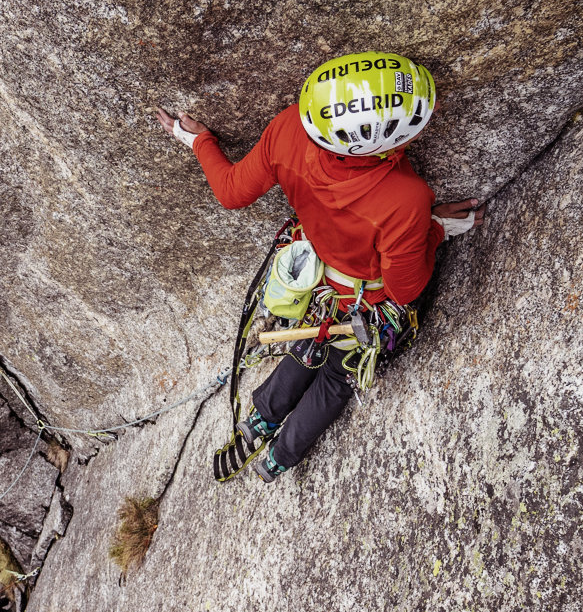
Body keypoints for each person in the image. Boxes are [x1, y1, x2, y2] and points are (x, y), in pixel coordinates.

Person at [154, 51, 484, 482]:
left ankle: (258, 422)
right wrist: (435, 226)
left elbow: (231, 190)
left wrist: (197, 140)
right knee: (337, 374)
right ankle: (280, 458)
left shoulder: (290, 126)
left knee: (308, 345)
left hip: (321, 284)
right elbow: (405, 289)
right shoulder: (407, 198)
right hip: (370, 299)